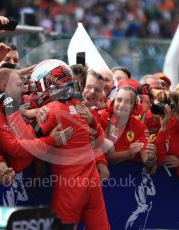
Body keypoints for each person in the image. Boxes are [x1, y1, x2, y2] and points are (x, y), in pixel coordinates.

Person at [31, 59, 109, 229]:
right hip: (92, 181)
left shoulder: (52, 110)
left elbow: (26, 145)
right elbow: (101, 141)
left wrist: (51, 141)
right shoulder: (80, 107)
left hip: (70, 184)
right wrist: (93, 124)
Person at [0, 68, 73, 173]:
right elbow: (16, 149)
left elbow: (31, 137)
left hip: (17, 176)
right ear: (4, 87)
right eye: (19, 85)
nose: (24, 90)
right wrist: (52, 140)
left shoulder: (16, 108)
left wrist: (39, 160)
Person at [100, 79, 157, 174]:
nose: (122, 105)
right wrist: (128, 154)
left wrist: (151, 159)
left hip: (127, 181)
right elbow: (106, 157)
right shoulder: (102, 118)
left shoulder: (140, 127)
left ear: (135, 107)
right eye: (119, 100)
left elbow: (149, 166)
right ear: (113, 101)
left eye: (128, 102)